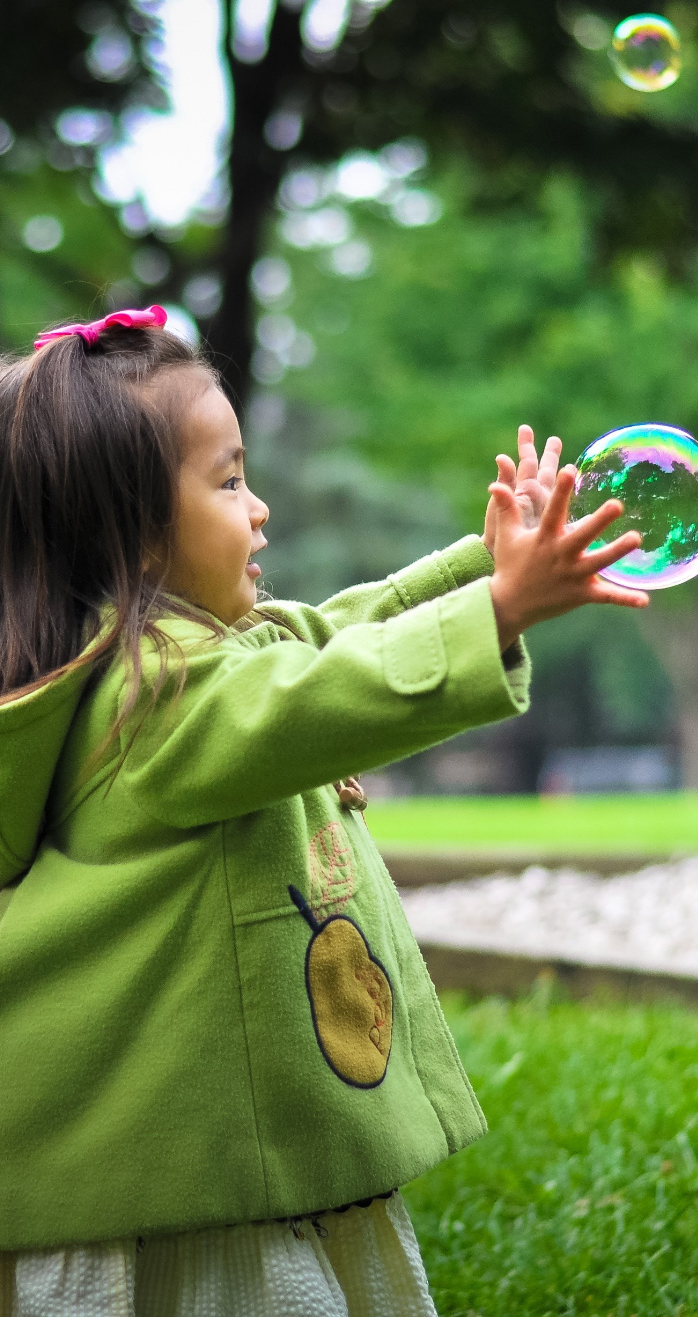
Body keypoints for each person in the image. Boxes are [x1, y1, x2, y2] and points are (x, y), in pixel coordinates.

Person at [0, 306, 647, 1317]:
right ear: (129, 530)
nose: (258, 510)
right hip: (186, 1198)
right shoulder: (152, 701)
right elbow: (326, 691)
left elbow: (343, 627)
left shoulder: (197, 656)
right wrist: (503, 611)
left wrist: (487, 565)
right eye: (226, 480)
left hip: (213, 1165)